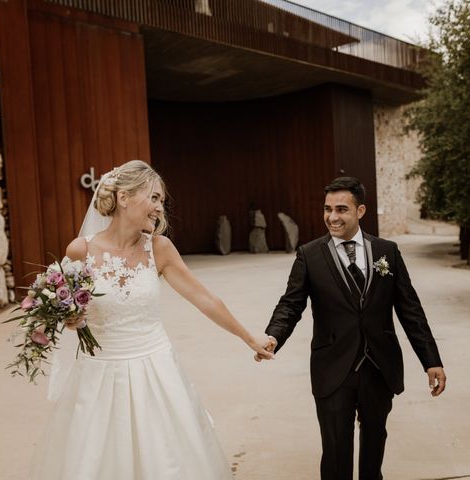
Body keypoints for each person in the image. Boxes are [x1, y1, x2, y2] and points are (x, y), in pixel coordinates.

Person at [30, 160, 273, 479]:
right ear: (124, 198)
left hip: (156, 371)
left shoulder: (159, 249)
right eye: (154, 198)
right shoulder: (80, 251)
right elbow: (60, 311)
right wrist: (71, 319)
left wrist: (248, 337)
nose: (160, 208)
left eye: (161, 201)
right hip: (98, 375)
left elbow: (205, 299)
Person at [257, 177, 446, 480]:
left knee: (374, 446)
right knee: (335, 451)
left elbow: (410, 310)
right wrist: (273, 335)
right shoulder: (310, 255)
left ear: (360, 211)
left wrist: (431, 360)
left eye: (341, 209)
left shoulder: (388, 252)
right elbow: (291, 304)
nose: (332, 217)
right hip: (333, 367)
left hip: (379, 366)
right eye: (328, 209)